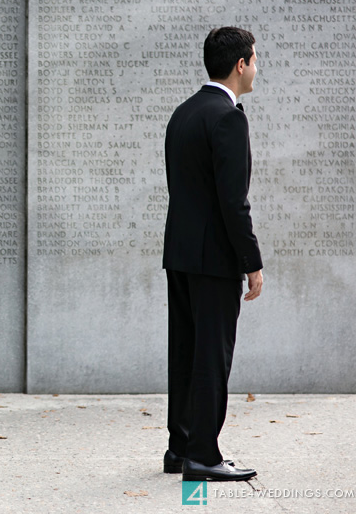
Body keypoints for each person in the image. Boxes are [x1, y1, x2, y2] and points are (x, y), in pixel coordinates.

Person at [162, 27, 264, 482]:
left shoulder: (183, 113)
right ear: (240, 64)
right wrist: (251, 261)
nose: (257, 68)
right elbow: (232, 200)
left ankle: (180, 448)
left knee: (185, 351)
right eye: (255, 60)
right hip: (214, 259)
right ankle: (203, 455)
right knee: (212, 357)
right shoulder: (228, 117)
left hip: (180, 253)